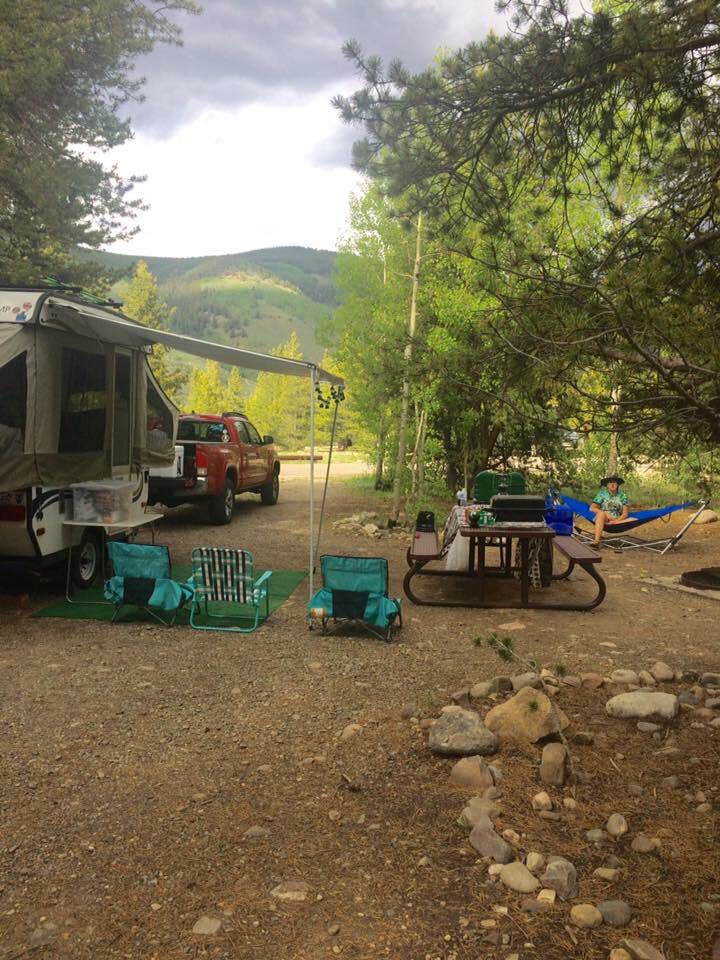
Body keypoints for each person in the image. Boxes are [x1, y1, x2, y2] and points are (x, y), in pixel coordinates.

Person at [590, 474, 634, 545]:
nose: (612, 484)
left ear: (618, 485)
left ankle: (597, 541)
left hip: (617, 519)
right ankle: (596, 542)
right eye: (610, 482)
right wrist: (605, 514)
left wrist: (616, 521)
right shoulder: (602, 494)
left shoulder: (622, 495)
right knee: (601, 514)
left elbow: (625, 514)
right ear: (607, 485)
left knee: (633, 519)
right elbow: (592, 508)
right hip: (603, 518)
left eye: (614, 482)